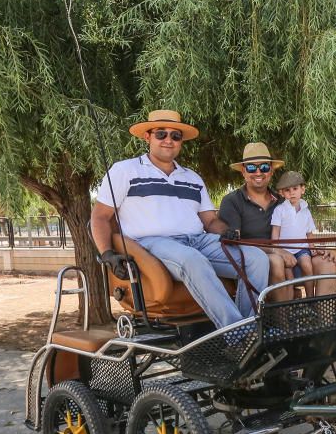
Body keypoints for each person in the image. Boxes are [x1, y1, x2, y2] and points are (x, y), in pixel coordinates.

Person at [91, 110, 269, 330]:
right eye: (161, 134)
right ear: (148, 137)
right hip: (152, 244)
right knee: (193, 260)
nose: (168, 140)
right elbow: (100, 216)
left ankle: (251, 328)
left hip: (198, 240)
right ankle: (238, 333)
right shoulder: (125, 170)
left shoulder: (192, 178)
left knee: (257, 260)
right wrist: (107, 253)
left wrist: (225, 231)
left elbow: (210, 222)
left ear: (181, 141)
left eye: (175, 136)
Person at [218, 143, 297, 302]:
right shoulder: (232, 201)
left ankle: (324, 322)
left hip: (287, 253)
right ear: (243, 171)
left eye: (264, 167)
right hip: (251, 259)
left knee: (324, 262)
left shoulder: (282, 201)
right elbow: (235, 242)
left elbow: (298, 230)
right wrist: (275, 251)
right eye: (252, 168)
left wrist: (315, 249)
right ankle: (283, 322)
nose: (258, 172)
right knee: (276, 261)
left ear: (271, 171)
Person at [271, 170, 336, 297]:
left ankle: (310, 298)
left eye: (295, 188)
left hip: (302, 248)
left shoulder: (306, 211)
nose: (292, 193)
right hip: (285, 250)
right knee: (289, 276)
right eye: (287, 190)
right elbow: (275, 232)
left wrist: (312, 248)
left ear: (302, 189)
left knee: (307, 265)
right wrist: (277, 249)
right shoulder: (279, 210)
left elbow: (309, 233)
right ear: (282, 193)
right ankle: (289, 303)